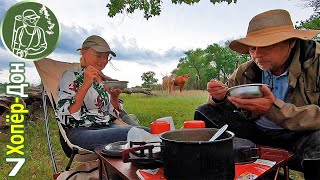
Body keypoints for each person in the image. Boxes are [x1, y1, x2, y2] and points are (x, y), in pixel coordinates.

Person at [194, 9, 320, 179]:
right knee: (205, 111)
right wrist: (220, 96)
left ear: (291, 42)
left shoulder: (316, 63)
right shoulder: (247, 70)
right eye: (252, 48)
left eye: (266, 46)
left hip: (300, 137)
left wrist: (272, 109)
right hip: (256, 132)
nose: (256, 55)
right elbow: (228, 99)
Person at [56, 35, 147, 151]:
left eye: (106, 57)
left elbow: (111, 115)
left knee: (145, 131)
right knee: (136, 133)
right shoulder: (70, 76)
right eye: (98, 56)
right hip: (81, 130)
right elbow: (67, 117)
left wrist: (114, 97)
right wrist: (85, 85)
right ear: (83, 52)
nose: (103, 61)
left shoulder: (102, 80)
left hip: (107, 126)